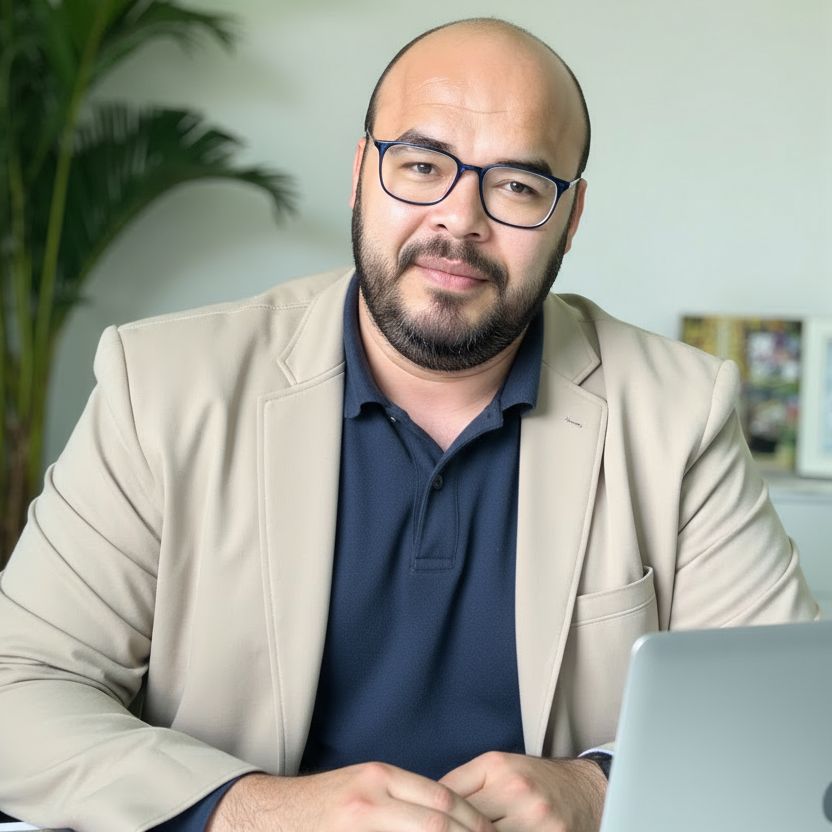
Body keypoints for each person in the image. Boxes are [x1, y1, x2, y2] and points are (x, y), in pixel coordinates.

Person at [0, 16, 819, 832]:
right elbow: (18, 688)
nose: (460, 220)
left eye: (518, 186)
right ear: (361, 174)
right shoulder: (164, 385)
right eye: (422, 166)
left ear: (570, 220)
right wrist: (259, 812)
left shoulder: (679, 412)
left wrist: (596, 788)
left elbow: (791, 719)